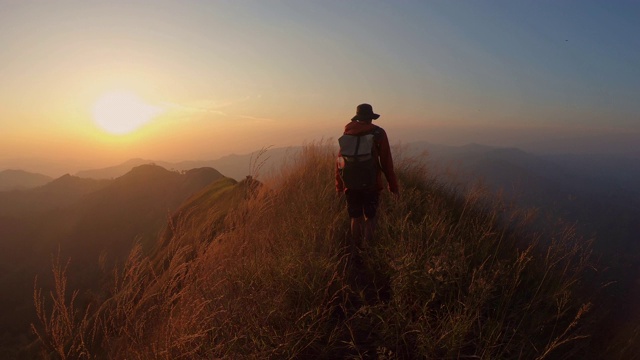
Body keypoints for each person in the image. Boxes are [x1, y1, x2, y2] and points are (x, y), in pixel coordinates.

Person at [336, 103, 399, 252]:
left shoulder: (348, 133)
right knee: (370, 217)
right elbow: (386, 162)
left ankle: (355, 249)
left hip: (350, 184)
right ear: (371, 118)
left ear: (358, 118)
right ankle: (367, 250)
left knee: (355, 217)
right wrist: (393, 186)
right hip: (371, 184)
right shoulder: (378, 134)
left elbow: (339, 162)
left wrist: (339, 185)